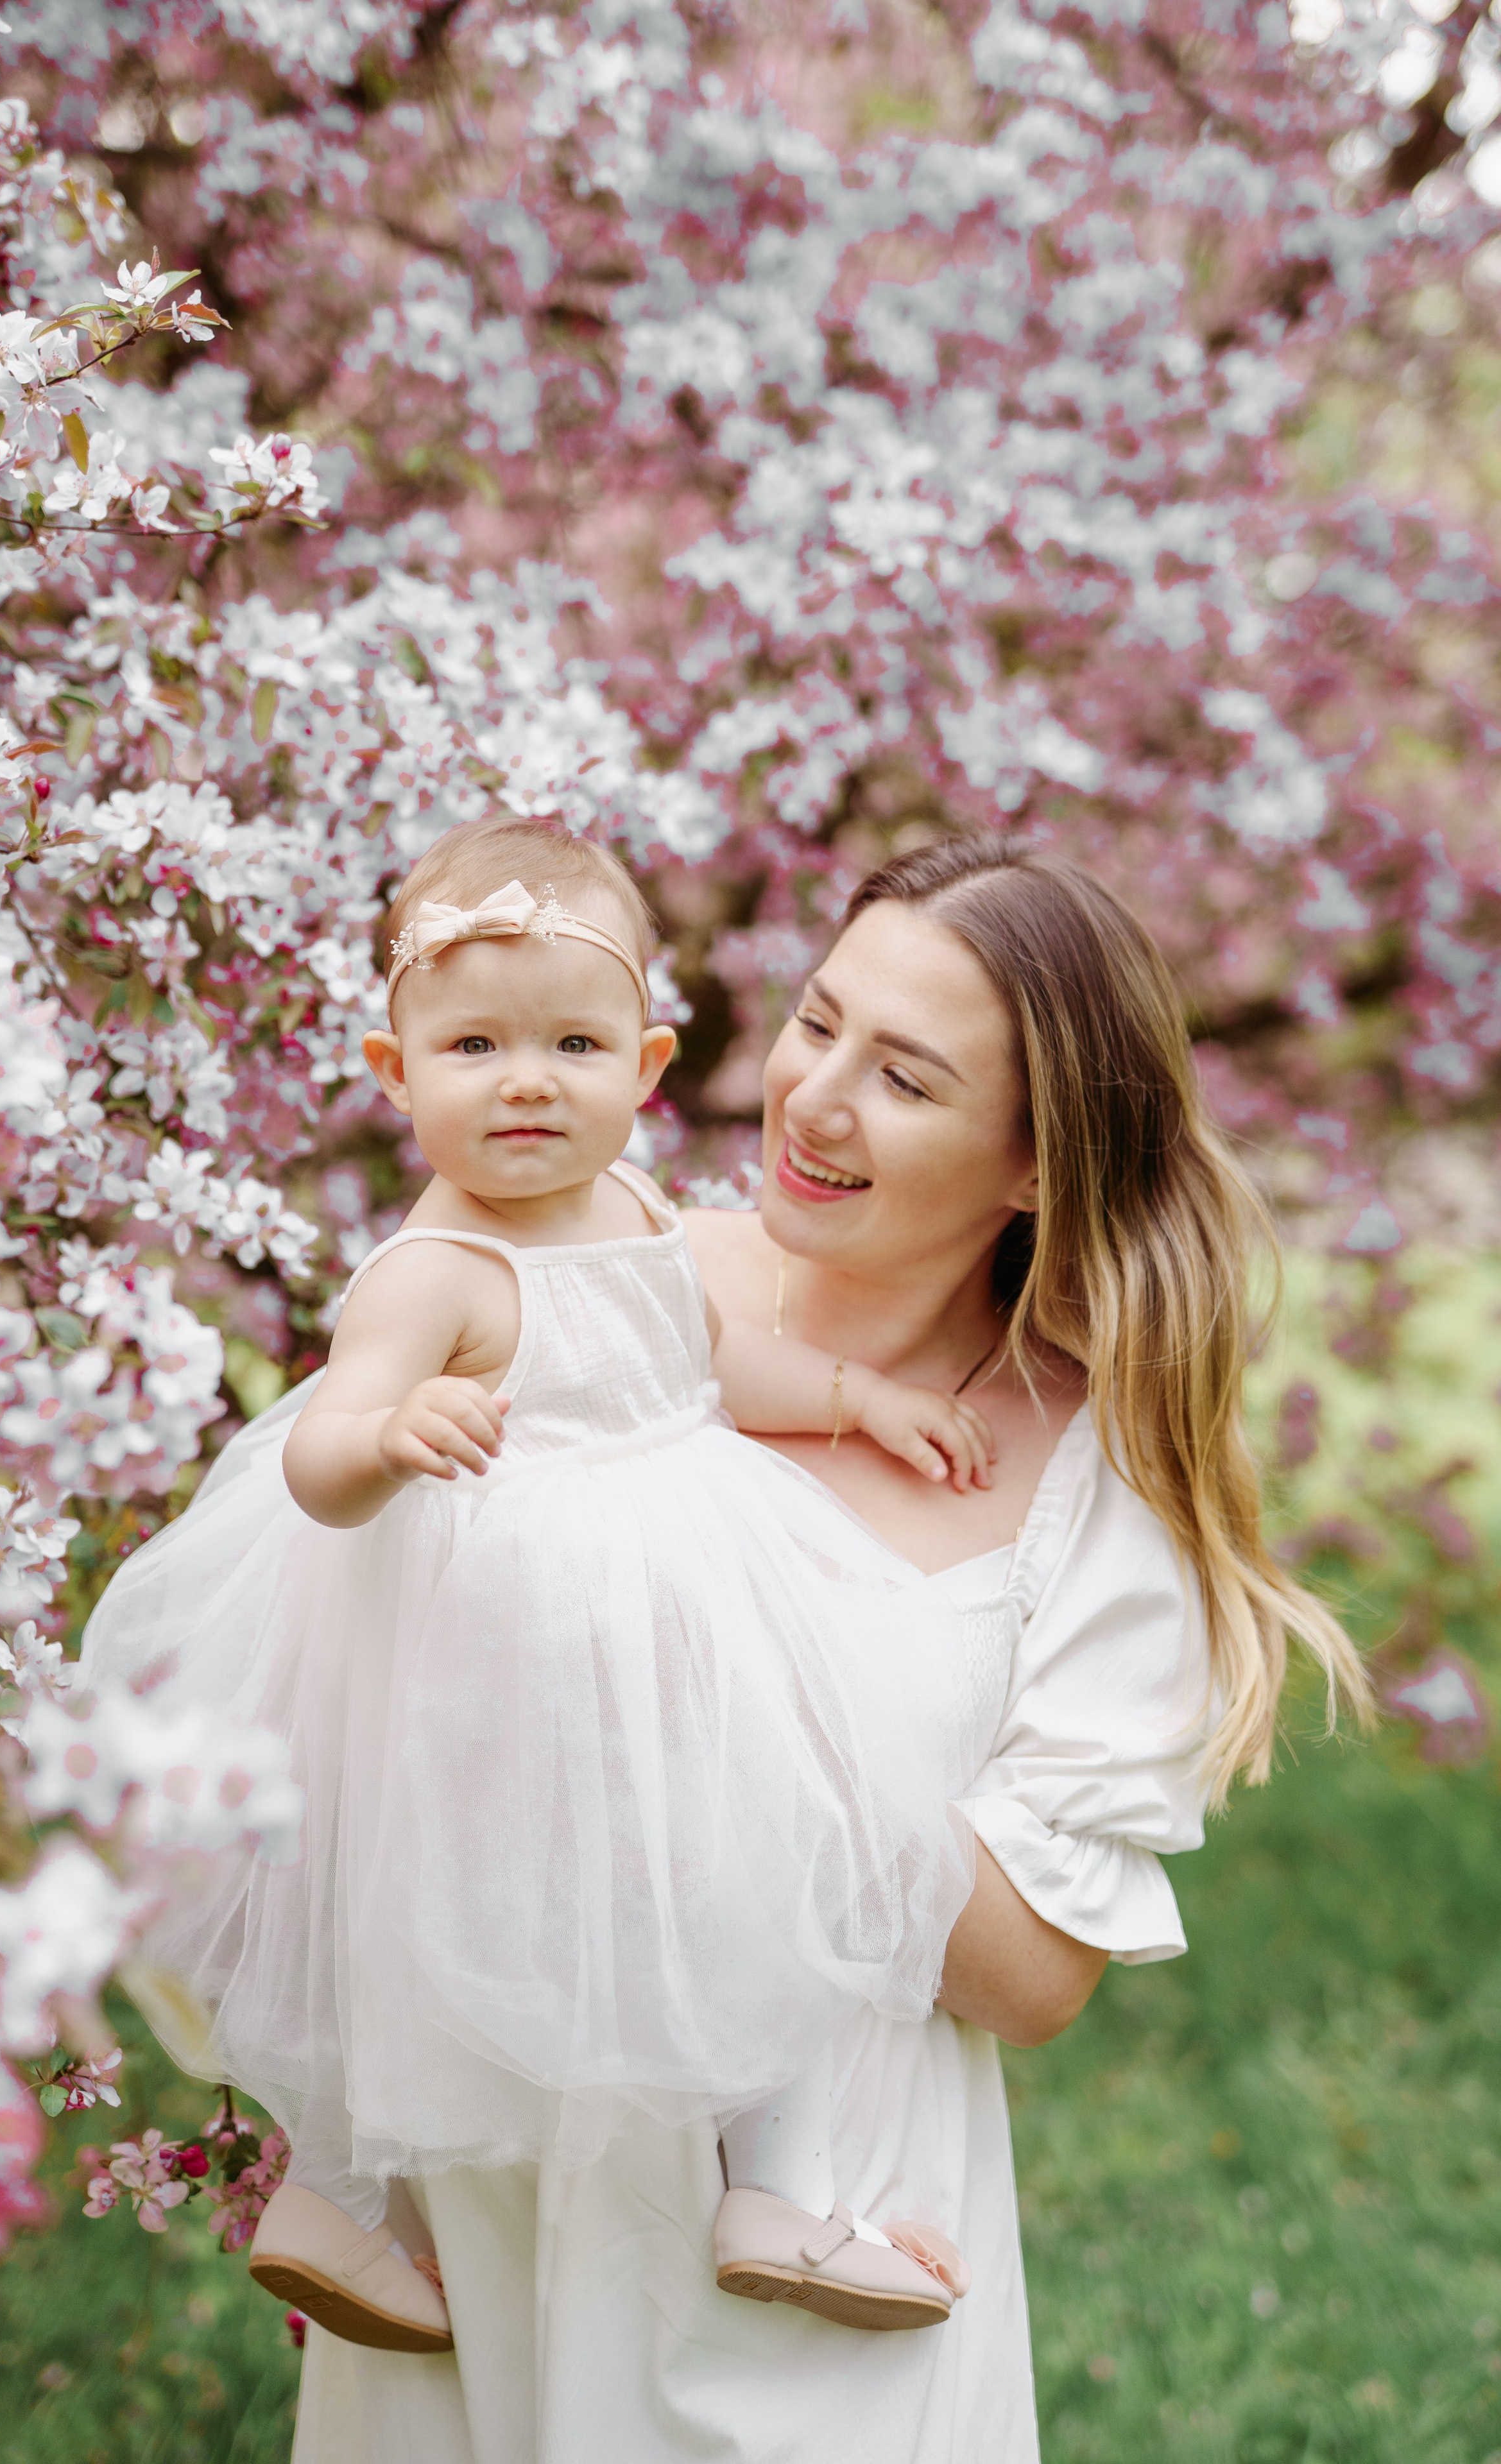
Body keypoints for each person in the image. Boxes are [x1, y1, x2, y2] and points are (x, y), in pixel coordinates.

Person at [285, 828, 1368, 2464]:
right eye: (816, 1023)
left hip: (809, 2241)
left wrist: (737, 1698)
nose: (810, 1098)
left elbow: (1026, 1980)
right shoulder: (597, 1277)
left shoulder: (1090, 1496)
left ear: (1031, 1165)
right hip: (491, 2177)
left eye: (907, 1079)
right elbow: (337, 1652)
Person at [80, 814, 1033, 2356]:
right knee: (407, 1915)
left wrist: (856, 1403)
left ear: (647, 1068)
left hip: (679, 1604)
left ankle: (774, 2190)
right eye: (472, 1045)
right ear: (396, 1078)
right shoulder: (430, 1273)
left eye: (573, 1043)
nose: (526, 1081)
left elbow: (711, 1361)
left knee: (755, 1867)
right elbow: (318, 1458)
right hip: (504, 1659)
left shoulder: (643, 1211)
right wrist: (390, 1431)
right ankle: (332, 2189)